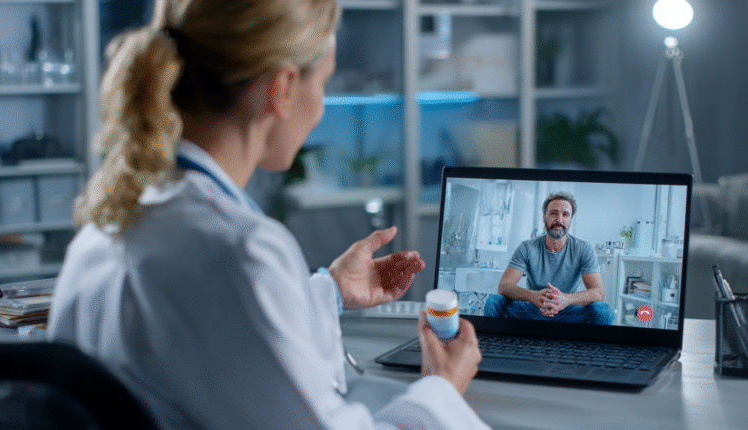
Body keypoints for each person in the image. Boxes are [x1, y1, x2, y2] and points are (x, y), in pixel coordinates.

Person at [47, 1, 489, 429]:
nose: (319, 107)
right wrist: (442, 390)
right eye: (324, 84)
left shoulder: (111, 220)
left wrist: (332, 291)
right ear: (284, 88)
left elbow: (224, 348)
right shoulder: (238, 251)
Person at [483, 191, 614, 325]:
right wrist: (533, 296)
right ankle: (498, 345)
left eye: (565, 215)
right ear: (544, 218)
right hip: (533, 309)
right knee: (493, 302)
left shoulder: (583, 249)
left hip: (568, 312)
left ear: (570, 220)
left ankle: (590, 347)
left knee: (603, 311)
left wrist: (565, 299)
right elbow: (504, 286)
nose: (559, 220)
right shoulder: (527, 247)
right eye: (553, 213)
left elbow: (598, 293)